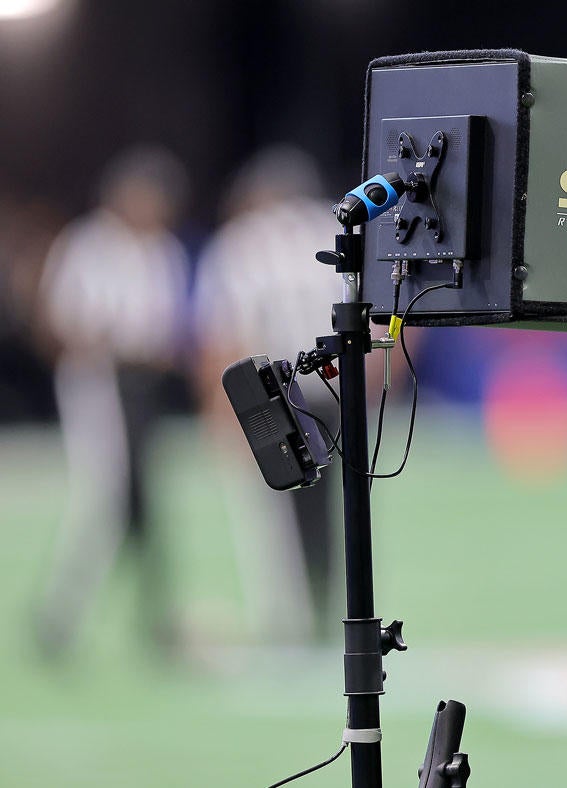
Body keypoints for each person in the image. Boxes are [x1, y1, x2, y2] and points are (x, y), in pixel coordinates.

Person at [33, 146, 190, 659]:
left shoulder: (161, 249)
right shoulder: (89, 245)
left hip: (145, 389)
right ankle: (60, 615)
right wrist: (107, 342)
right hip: (99, 383)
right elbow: (59, 320)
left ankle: (155, 616)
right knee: (102, 500)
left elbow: (164, 329)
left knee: (145, 505)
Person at [193, 146, 344, 644]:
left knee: (272, 507)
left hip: (272, 391)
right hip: (330, 383)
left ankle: (286, 620)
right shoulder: (333, 229)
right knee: (333, 505)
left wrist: (220, 415)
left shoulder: (243, 242)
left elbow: (226, 336)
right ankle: (332, 609)